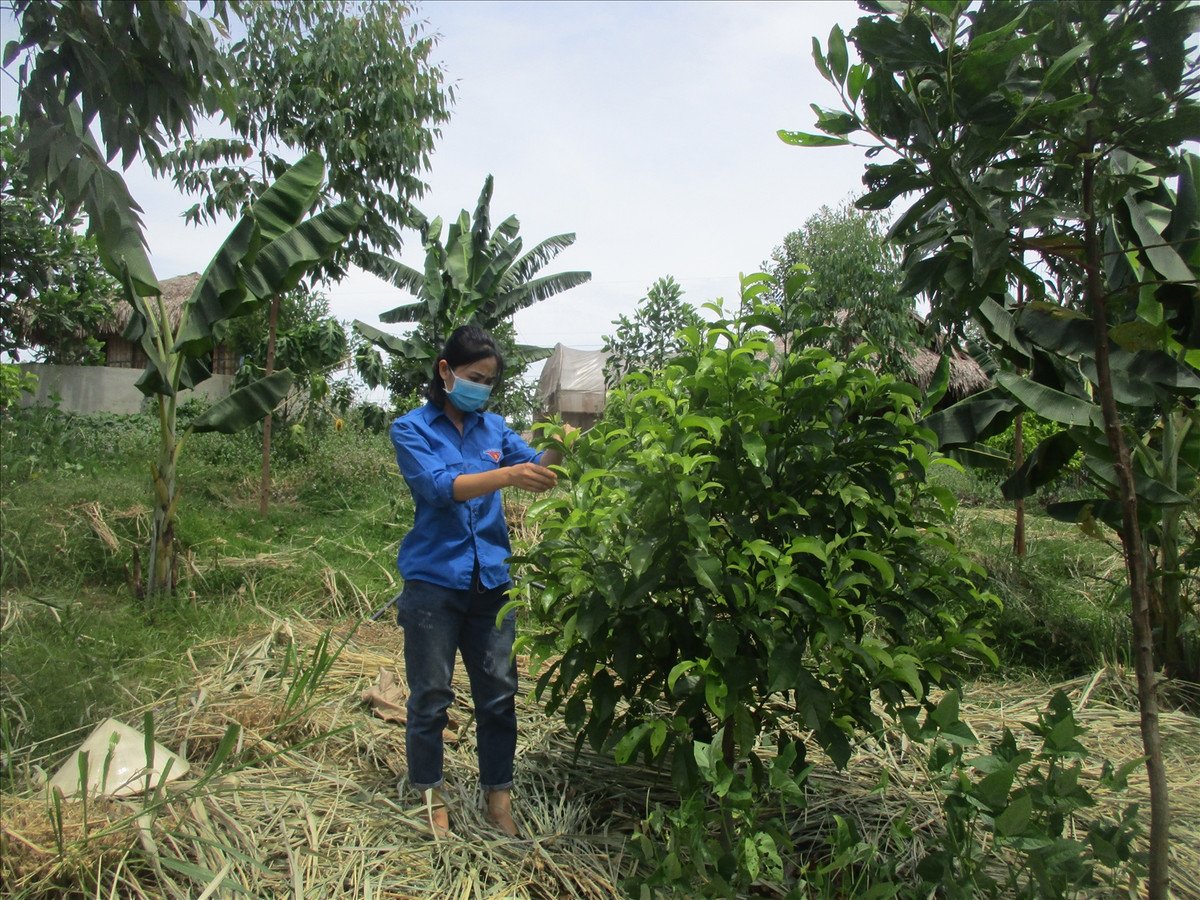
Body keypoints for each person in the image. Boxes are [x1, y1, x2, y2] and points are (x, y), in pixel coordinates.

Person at [389, 325, 567, 839]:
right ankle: (431, 797)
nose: (481, 389)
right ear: (445, 371)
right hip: (433, 584)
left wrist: (558, 442)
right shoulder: (411, 429)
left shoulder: (495, 431)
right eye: (474, 377)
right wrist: (508, 477)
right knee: (430, 697)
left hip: (491, 582)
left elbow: (536, 466)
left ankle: (498, 799)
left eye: (489, 382)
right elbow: (441, 487)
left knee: (498, 694)